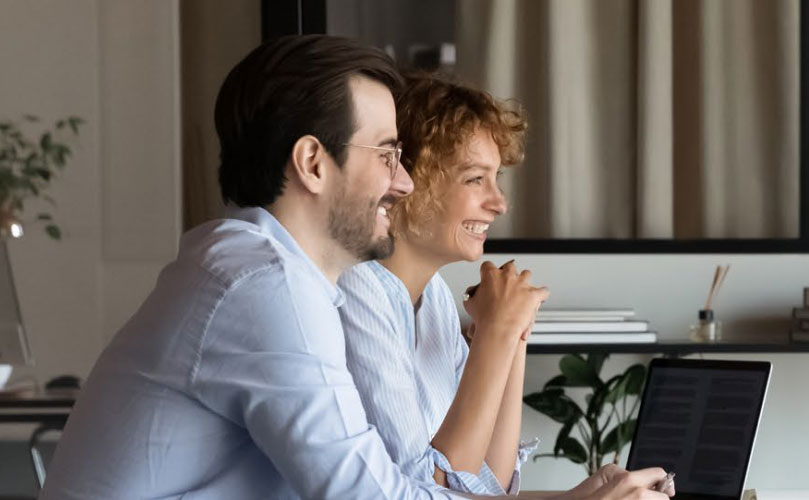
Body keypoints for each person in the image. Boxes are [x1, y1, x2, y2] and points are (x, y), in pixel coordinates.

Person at [41, 34, 674, 500]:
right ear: (313, 163)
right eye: (388, 154)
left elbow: (406, 486)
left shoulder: (272, 275)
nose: (402, 182)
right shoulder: (265, 287)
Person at [338, 73, 677, 499]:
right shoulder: (357, 291)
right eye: (475, 179)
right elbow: (428, 490)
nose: (499, 202)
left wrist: (514, 335)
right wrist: (496, 334)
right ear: (409, 178)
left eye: (496, 179)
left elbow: (489, 484)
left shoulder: (435, 297)